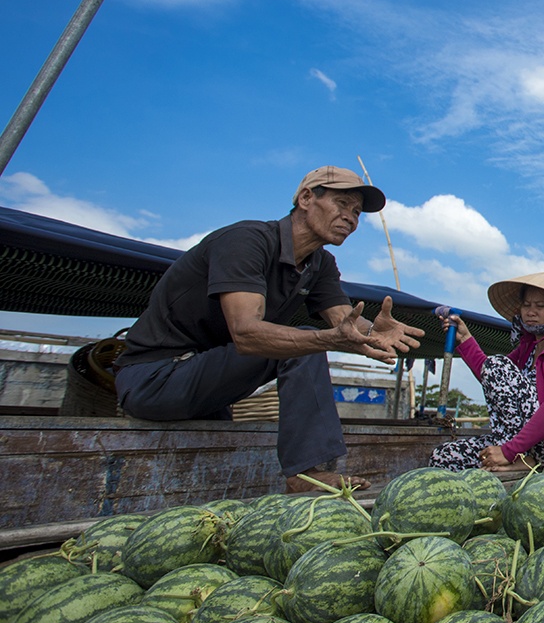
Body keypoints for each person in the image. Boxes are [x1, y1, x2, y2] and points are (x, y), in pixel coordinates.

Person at [112, 166, 424, 493]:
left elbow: (345, 321)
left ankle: (305, 470)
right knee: (305, 344)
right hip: (155, 378)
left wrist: (372, 332)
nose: (350, 218)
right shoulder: (246, 241)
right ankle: (306, 472)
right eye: (342, 204)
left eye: (357, 212)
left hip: (208, 392)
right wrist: (326, 340)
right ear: (306, 198)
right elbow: (246, 334)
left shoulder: (320, 264)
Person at [428, 270, 544, 473]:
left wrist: (509, 451)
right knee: (444, 457)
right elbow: (492, 378)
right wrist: (465, 339)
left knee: (497, 365)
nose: (531, 312)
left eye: (540, 306)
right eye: (526, 305)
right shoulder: (529, 347)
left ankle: (524, 459)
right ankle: (519, 456)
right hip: (523, 444)